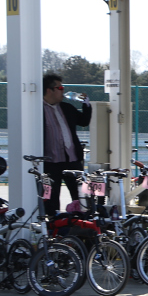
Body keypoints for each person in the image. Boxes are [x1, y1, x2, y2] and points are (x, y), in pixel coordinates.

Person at [42, 73, 92, 217]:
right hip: (50, 162)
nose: (63, 91)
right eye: (60, 88)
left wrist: (86, 105)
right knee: (51, 197)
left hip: (72, 159)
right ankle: (53, 227)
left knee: (81, 194)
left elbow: (83, 121)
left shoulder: (66, 107)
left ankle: (83, 224)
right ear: (49, 90)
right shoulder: (37, 109)